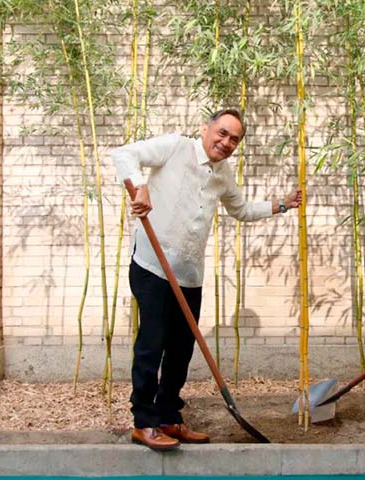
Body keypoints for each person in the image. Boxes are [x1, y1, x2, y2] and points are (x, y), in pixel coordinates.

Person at [112, 108, 301, 451]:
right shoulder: (175, 147)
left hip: (189, 274)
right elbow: (124, 154)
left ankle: (169, 416)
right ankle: (144, 423)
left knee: (181, 350)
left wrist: (282, 205)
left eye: (234, 139)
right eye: (222, 133)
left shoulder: (223, 174)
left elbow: (241, 210)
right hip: (153, 266)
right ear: (206, 128)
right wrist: (139, 188)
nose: (226, 142)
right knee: (151, 345)